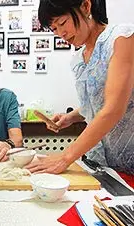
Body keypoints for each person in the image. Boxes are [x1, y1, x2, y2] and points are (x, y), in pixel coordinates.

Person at [26, 0, 134, 175]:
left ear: (85, 7)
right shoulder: (79, 58)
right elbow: (96, 104)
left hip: (129, 160)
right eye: (54, 29)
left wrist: (65, 157)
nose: (61, 33)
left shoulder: (121, 39)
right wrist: (70, 118)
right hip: (100, 162)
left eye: (62, 23)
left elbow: (113, 108)